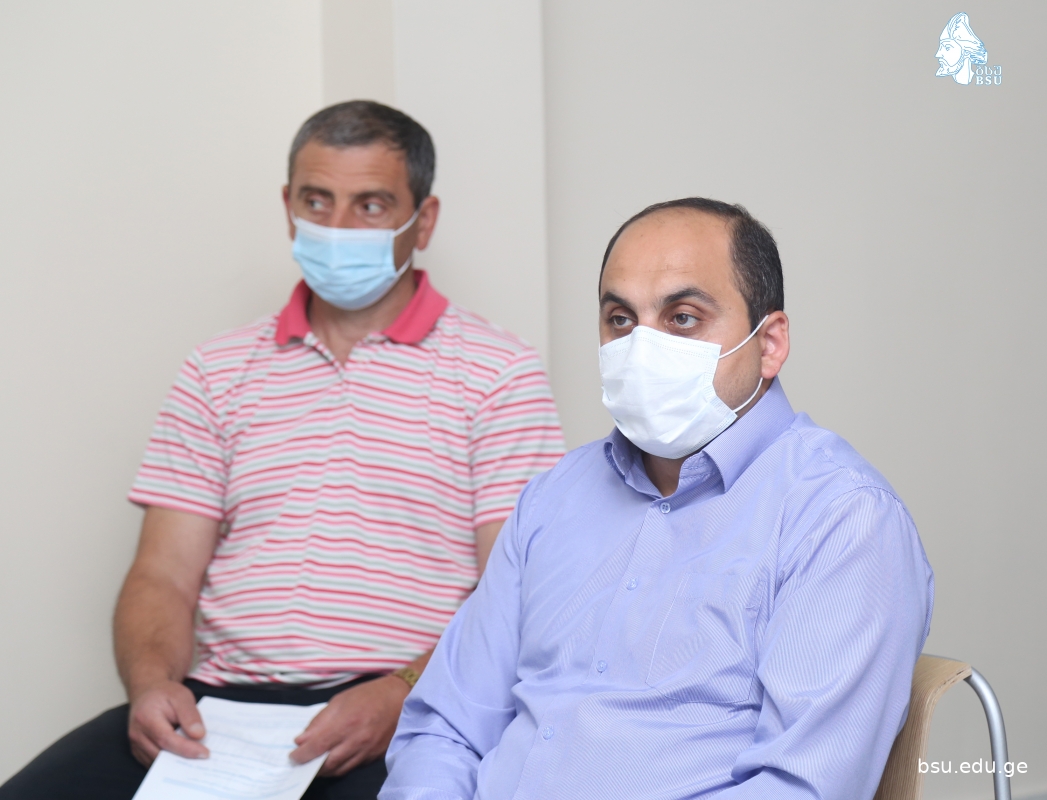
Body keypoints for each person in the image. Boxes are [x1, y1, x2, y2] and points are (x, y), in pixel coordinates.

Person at [0, 101, 564, 800]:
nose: (337, 227)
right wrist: (151, 685)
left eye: (370, 205)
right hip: (217, 712)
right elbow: (162, 575)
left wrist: (405, 692)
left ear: (423, 221)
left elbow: (513, 590)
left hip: (401, 704)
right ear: (288, 206)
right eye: (316, 201)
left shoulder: (498, 373)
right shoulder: (216, 370)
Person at [379, 198, 935, 800]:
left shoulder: (842, 518)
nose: (642, 347)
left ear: (770, 343)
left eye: (683, 318)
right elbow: (443, 727)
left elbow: (798, 787)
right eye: (620, 320)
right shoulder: (552, 497)